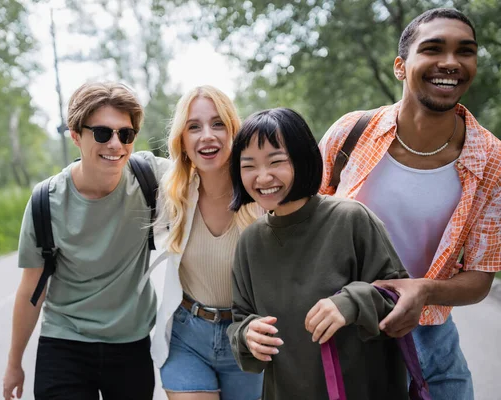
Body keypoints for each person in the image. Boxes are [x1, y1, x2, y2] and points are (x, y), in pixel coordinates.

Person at [318, 8, 501, 399]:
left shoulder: (491, 160)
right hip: (353, 336)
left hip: (435, 343)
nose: (450, 62)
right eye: (433, 48)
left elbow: (481, 278)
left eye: (464, 51)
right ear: (401, 66)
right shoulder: (351, 134)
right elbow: (302, 227)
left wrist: (424, 291)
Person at [2, 81, 170, 400]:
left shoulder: (151, 177)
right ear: (76, 135)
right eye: (103, 133)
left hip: (130, 343)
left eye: (126, 134)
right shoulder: (46, 202)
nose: (116, 145)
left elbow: (209, 177)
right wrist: (14, 363)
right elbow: (30, 291)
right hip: (65, 342)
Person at [227, 107, 409, 400]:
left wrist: (351, 302)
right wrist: (247, 335)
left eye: (276, 161)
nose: (262, 177)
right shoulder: (249, 242)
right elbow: (240, 318)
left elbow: (400, 298)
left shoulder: (351, 218)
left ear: (303, 158)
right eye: (248, 166)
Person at [151, 85, 263, 400]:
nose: (207, 136)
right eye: (194, 127)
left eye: (217, 124)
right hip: (188, 336)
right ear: (182, 141)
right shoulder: (174, 194)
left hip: (246, 338)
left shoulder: (260, 194)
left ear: (233, 132)